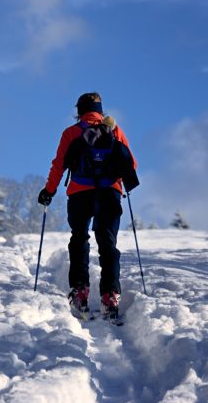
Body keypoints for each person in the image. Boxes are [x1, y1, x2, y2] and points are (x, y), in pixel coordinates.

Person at [38, 92, 138, 318]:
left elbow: (58, 165)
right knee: (107, 242)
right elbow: (131, 162)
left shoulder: (71, 133)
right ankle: (110, 293)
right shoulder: (114, 130)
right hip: (109, 193)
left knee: (79, 238)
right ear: (100, 110)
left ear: (79, 111)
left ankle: (80, 290)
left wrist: (49, 191)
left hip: (80, 193)